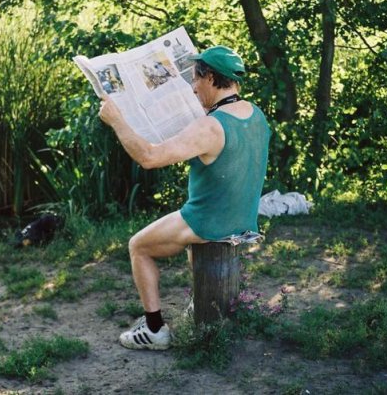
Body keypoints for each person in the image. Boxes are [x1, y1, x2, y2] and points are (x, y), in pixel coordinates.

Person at [98, 45, 270, 351]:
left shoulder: (210, 127)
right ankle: (200, 304)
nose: (192, 87)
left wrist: (118, 122)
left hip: (209, 221)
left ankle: (154, 331)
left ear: (212, 78)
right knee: (186, 245)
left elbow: (149, 158)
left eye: (196, 80)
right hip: (242, 217)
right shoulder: (255, 115)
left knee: (138, 246)